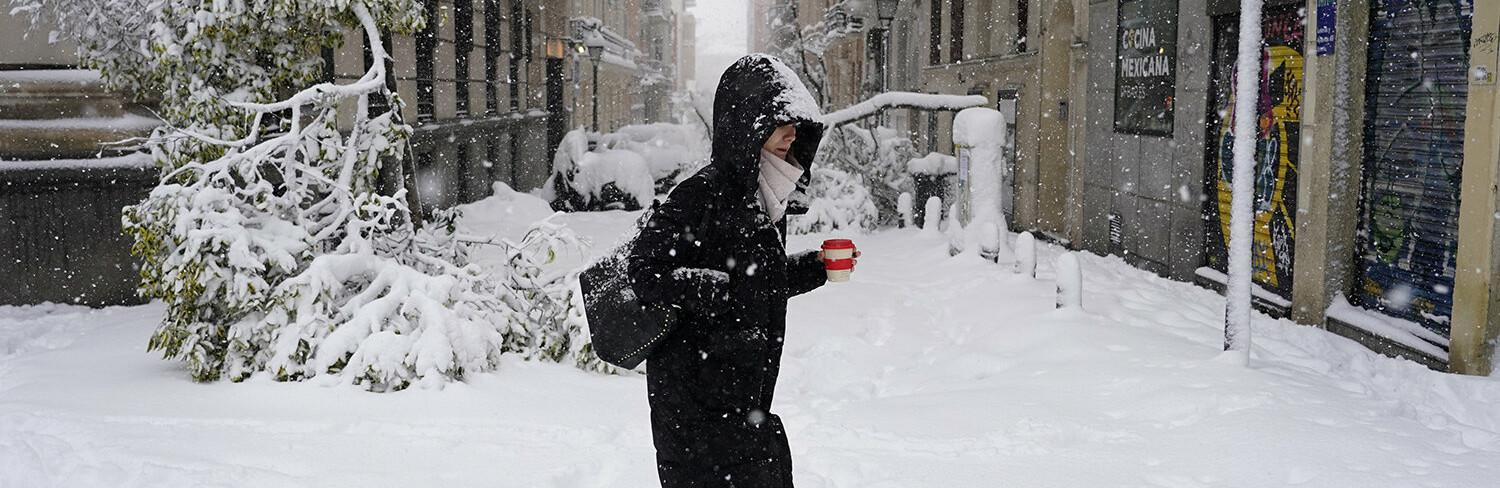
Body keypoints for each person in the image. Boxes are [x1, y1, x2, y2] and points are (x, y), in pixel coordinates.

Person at [627, 54, 856, 487]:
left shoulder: (763, 198)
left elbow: (754, 281)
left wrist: (816, 269)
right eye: (781, 124)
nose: (792, 135)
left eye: (797, 127)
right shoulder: (701, 195)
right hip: (696, 404)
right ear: (747, 123)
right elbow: (642, 270)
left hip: (741, 394)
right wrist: (707, 289)